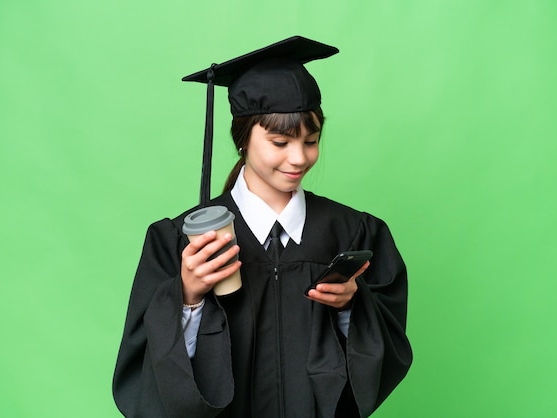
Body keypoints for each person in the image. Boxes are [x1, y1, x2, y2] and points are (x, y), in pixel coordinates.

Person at [112, 36, 412, 418]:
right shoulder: (176, 242)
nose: (299, 158)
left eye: (312, 141)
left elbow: (384, 353)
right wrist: (187, 298)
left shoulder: (353, 232)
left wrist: (351, 307)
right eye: (280, 141)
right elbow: (146, 371)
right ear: (243, 139)